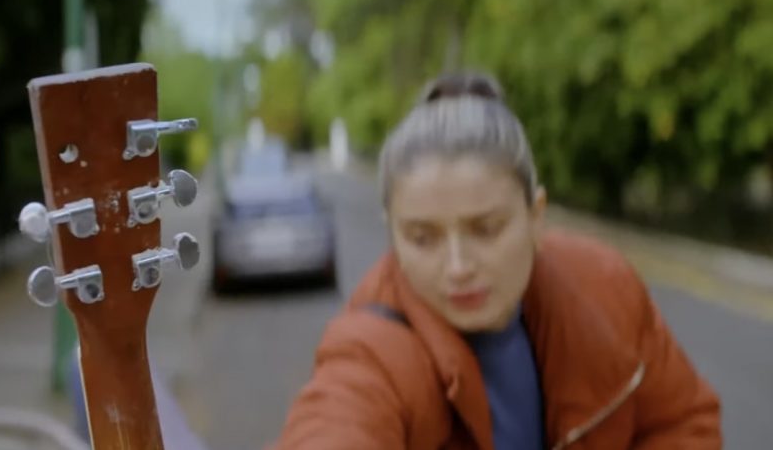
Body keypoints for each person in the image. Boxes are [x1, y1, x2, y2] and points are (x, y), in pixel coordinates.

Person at [273, 71, 721, 449]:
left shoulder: (605, 286)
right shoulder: (372, 349)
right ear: (392, 234)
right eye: (422, 238)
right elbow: (335, 419)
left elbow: (681, 421)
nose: (458, 267)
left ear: (536, 217)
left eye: (486, 229)